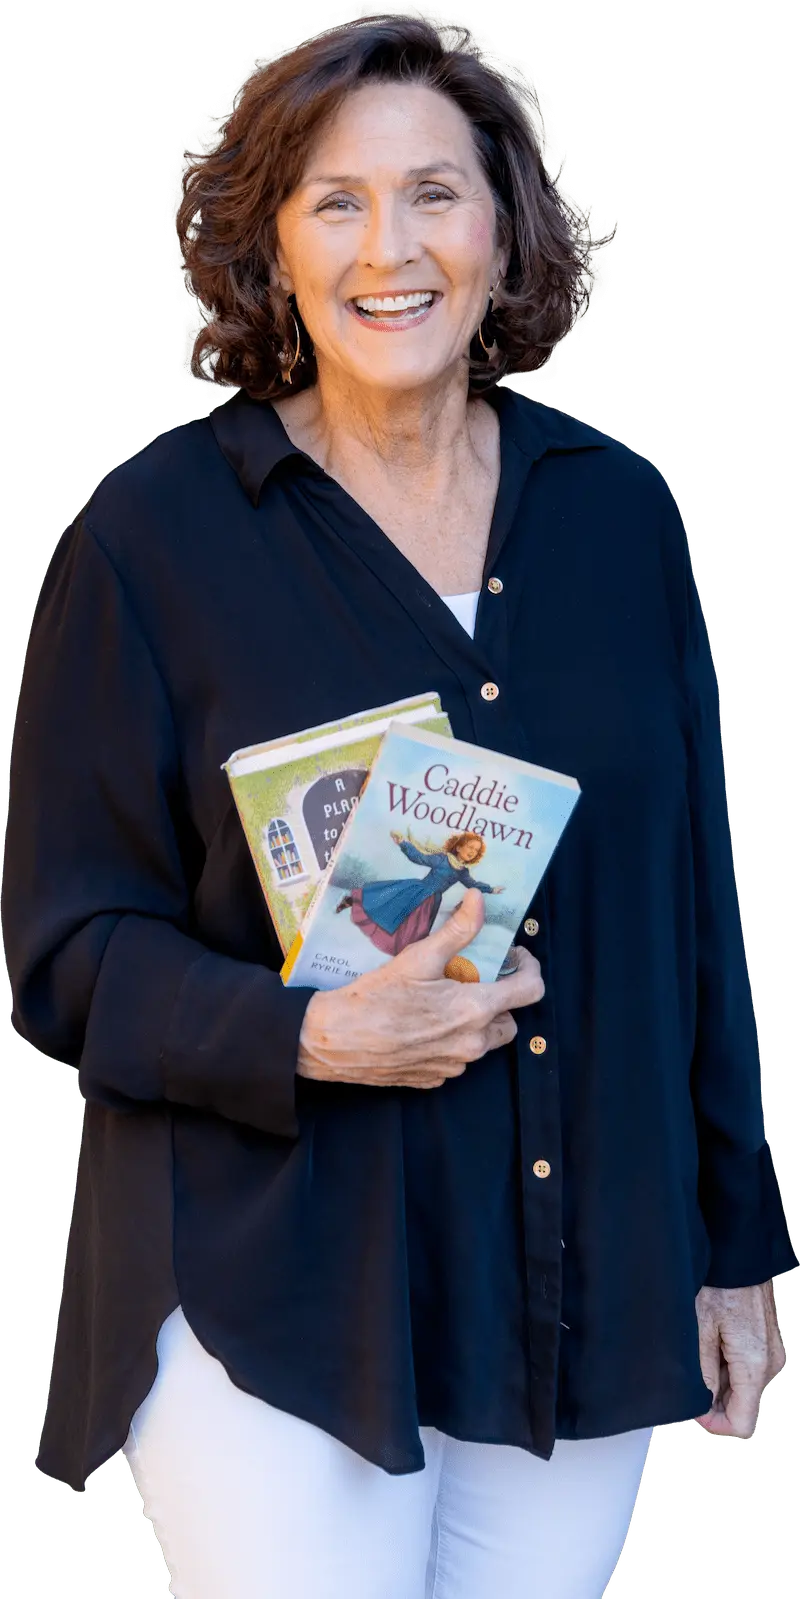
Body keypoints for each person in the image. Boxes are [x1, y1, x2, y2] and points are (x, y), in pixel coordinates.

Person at [1, 6, 797, 1597]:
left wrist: (734, 1244)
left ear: (506, 231)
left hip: (572, 1278)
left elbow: (691, 905)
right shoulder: (153, 534)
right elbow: (65, 944)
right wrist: (304, 1032)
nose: (393, 246)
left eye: (437, 192)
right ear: (272, 248)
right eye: (337, 201)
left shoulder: (620, 514)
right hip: (273, 1276)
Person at [337, 827, 505, 954]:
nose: (471, 852)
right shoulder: (442, 859)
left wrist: (490, 889)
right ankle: (353, 901)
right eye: (470, 847)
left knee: (415, 927)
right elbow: (419, 857)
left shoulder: (462, 871)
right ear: (459, 847)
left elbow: (472, 884)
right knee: (390, 906)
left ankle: (405, 953)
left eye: (475, 851)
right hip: (418, 890)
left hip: (432, 901)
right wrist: (404, 844)